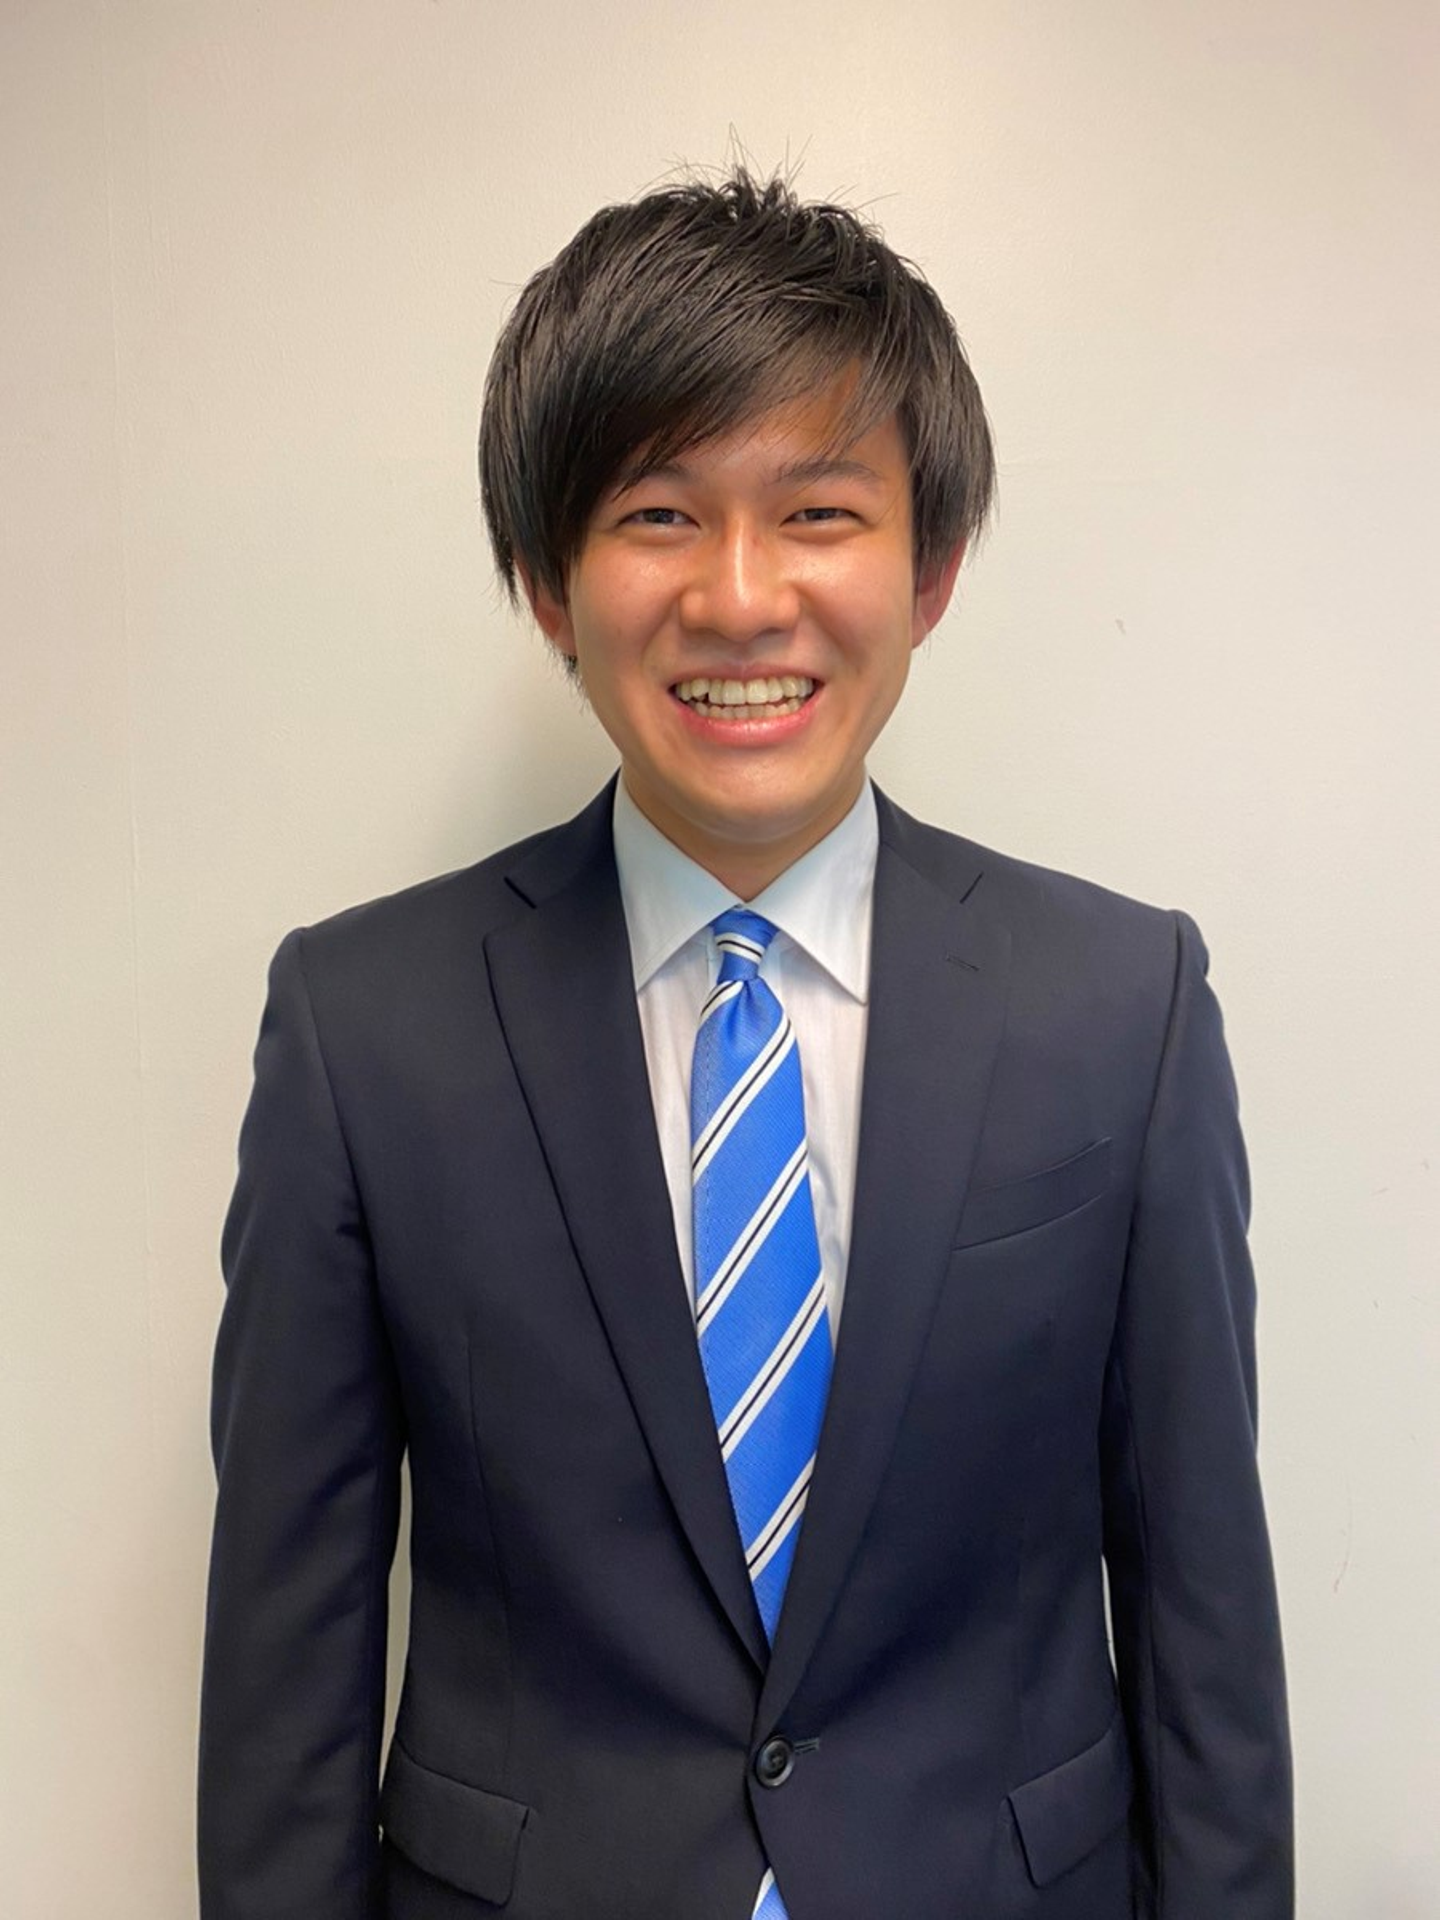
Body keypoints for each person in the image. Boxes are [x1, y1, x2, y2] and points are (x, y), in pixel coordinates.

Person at [199, 170, 1292, 1920]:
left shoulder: (1123, 1007)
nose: (739, 595)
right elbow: (287, 1667)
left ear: (930, 570)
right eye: (655, 514)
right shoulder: (363, 1028)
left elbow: (1203, 1626)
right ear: (546, 582)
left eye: (819, 512)